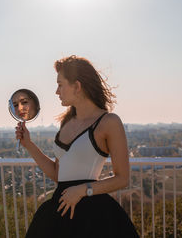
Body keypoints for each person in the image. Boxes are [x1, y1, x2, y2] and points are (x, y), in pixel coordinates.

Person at [15, 55, 139, 238]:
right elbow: (58, 174)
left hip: (93, 216)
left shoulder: (108, 122)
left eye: (60, 84)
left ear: (77, 86)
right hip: (59, 212)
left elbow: (122, 179)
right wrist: (29, 144)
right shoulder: (66, 122)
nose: (57, 91)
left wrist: (82, 190)